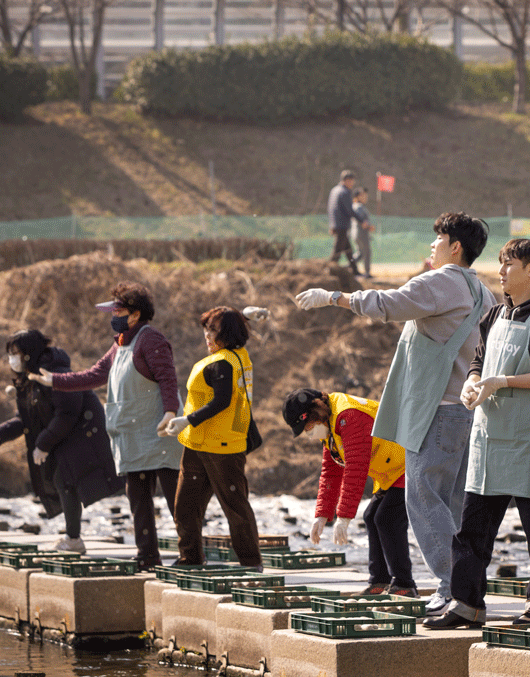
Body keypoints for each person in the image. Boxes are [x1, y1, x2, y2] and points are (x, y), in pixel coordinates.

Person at [295, 212, 494, 616]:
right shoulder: (483, 292)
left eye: (438, 240)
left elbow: (387, 304)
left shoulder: (441, 281)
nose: (432, 246)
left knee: (422, 498)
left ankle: (452, 587)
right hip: (469, 412)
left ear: (455, 247)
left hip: (436, 411)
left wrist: (334, 297)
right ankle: (468, 587)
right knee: (454, 505)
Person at [424, 238, 530, 630]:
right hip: (489, 438)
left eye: (510, 264)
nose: (502, 271)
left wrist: (502, 381)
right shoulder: (495, 314)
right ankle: (467, 604)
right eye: (502, 263)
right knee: (472, 529)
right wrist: (473, 381)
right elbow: (478, 359)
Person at [29, 283, 184, 571]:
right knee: (138, 499)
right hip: (133, 436)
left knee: (176, 499)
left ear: (135, 314)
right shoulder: (120, 344)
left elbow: (167, 378)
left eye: (118, 311)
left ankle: (190, 555)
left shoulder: (151, 340)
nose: (113, 316)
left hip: (161, 431)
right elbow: (95, 374)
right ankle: (147, 557)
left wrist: (170, 412)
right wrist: (55, 381)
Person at [282, 388, 414, 596]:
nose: (309, 434)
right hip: (390, 471)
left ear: (315, 413)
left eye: (307, 428)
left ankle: (404, 585)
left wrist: (343, 517)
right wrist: (322, 515)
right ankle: (379, 581)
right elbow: (331, 472)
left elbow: (356, 468)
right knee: (371, 516)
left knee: (386, 518)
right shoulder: (329, 424)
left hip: (407, 463)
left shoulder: (348, 417)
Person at [0, 330, 123, 552]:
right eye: (10, 354)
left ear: (29, 353)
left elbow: (68, 412)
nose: (12, 359)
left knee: (64, 480)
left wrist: (43, 443)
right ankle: (73, 538)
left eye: (15, 353)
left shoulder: (53, 372)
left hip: (84, 434)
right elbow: (24, 420)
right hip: (66, 437)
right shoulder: (29, 379)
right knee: (63, 482)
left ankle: (74, 539)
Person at [162, 307, 262, 570]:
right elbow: (234, 325)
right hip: (197, 443)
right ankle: (190, 559)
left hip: (223, 446)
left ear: (227, 334)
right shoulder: (236, 355)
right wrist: (245, 315)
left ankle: (251, 564)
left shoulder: (223, 363)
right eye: (206, 330)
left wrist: (187, 420)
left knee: (234, 506)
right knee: (185, 505)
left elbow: (222, 401)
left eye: (213, 331)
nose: (207, 336)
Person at [328, 170, 368, 276]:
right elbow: (349, 210)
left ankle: (354, 270)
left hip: (336, 223)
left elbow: (331, 208)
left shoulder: (334, 190)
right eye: (352, 181)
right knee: (337, 250)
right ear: (347, 180)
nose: (353, 183)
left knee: (348, 250)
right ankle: (328, 270)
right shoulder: (345, 192)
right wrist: (361, 221)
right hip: (342, 225)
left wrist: (332, 224)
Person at [352, 187, 375, 279]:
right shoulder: (359, 207)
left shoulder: (355, 206)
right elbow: (362, 222)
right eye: (363, 195)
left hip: (356, 233)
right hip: (361, 233)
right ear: (357, 196)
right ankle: (367, 273)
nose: (365, 197)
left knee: (360, 254)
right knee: (366, 253)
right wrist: (369, 226)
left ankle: (349, 265)